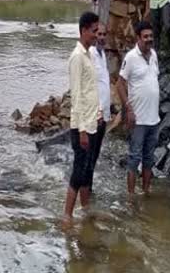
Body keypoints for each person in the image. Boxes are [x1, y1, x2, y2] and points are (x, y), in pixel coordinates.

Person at [64, 12, 101, 220]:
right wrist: (82, 131)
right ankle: (67, 216)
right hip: (82, 127)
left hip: (92, 122)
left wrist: (98, 113)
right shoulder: (77, 57)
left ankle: (85, 209)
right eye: (94, 31)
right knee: (78, 172)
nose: (97, 35)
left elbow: (90, 91)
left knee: (87, 171)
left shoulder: (89, 54)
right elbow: (77, 96)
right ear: (84, 30)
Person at [116, 21, 160, 195]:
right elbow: (120, 84)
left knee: (149, 158)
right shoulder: (131, 57)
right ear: (138, 38)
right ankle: (131, 196)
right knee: (134, 157)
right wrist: (128, 109)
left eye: (151, 36)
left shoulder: (154, 55)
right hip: (138, 119)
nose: (149, 39)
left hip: (154, 119)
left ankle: (147, 192)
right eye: (145, 36)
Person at [88, 23, 111, 177]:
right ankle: (85, 188)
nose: (101, 38)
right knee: (90, 153)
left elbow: (103, 84)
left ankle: (88, 189)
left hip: (104, 114)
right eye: (99, 34)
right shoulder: (90, 54)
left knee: (95, 153)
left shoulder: (102, 54)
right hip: (95, 114)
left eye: (104, 34)